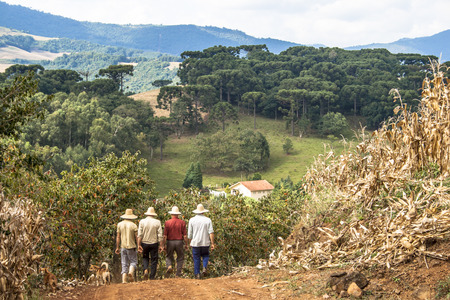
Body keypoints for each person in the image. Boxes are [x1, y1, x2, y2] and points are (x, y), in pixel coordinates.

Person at [187, 204, 215, 279]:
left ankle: (197, 274)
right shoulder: (208, 220)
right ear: (203, 212)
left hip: (195, 243)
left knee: (196, 258)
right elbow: (211, 232)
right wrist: (212, 243)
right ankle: (204, 267)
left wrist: (190, 242)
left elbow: (190, 234)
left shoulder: (192, 220)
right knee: (205, 255)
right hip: (205, 242)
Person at [161, 206, 188, 277]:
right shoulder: (182, 222)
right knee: (180, 257)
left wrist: (163, 245)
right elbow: (185, 236)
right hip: (179, 241)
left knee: (169, 256)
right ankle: (178, 273)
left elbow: (165, 236)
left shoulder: (167, 222)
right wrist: (186, 244)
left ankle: (169, 266)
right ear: (178, 214)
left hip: (170, 241)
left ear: (171, 214)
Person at [137, 207, 162, 280]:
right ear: (153, 214)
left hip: (144, 243)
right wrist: (161, 245)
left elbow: (140, 234)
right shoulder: (157, 222)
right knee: (154, 260)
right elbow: (160, 235)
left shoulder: (142, 221)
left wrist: (138, 245)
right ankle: (152, 277)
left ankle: (145, 269)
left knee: (145, 257)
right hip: (154, 243)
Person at [115, 208, 138, 283]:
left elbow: (118, 237)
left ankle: (124, 280)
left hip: (123, 247)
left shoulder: (119, 224)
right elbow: (136, 237)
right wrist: (139, 245)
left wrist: (117, 247)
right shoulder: (134, 225)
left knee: (124, 263)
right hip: (131, 246)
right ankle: (131, 272)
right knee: (133, 261)